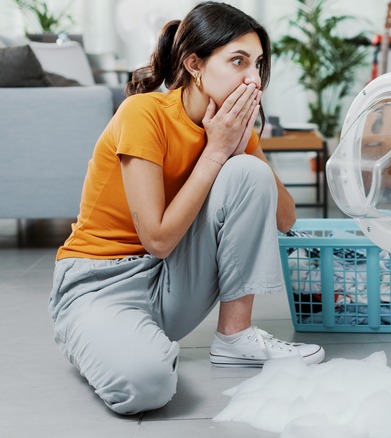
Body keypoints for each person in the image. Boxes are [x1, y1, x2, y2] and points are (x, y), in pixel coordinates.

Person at [47, 2, 324, 416]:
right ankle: (99, 335)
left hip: (171, 281)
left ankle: (234, 336)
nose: (253, 79)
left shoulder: (231, 129)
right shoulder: (144, 114)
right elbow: (156, 240)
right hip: (98, 284)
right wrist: (215, 151)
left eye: (258, 64)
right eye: (237, 61)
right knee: (147, 386)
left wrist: (243, 144)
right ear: (195, 64)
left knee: (248, 172)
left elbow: (286, 219)